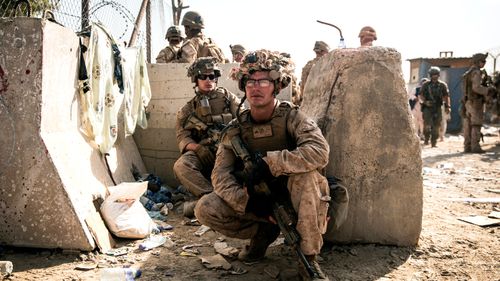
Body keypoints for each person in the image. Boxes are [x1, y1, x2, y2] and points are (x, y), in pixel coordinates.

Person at [194, 50, 331, 280]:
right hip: (261, 202)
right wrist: (248, 203)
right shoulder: (236, 129)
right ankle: (263, 233)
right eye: (250, 81)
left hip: (299, 199)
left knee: (307, 178)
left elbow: (319, 152)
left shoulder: (292, 118)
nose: (256, 87)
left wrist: (272, 164)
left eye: (264, 81)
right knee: (205, 207)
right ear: (244, 86)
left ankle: (309, 259)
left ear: (276, 86)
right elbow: (220, 176)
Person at [173, 57, 241, 217]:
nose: (208, 80)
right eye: (203, 77)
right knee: (181, 166)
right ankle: (211, 198)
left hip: (231, 149)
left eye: (212, 76)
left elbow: (243, 117)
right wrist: (198, 149)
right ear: (196, 80)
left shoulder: (228, 98)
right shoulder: (188, 109)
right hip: (207, 152)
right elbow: (182, 136)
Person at [461, 53, 497, 153]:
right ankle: (475, 147)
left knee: (468, 125)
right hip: (475, 102)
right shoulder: (476, 72)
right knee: (476, 124)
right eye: (483, 61)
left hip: (467, 102)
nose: (484, 63)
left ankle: (467, 147)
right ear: (477, 61)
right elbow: (476, 88)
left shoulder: (468, 73)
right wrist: (488, 90)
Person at [419, 66, 451, 147]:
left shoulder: (442, 85)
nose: (435, 76)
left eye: (436, 74)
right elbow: (421, 95)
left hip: (438, 106)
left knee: (437, 125)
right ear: (430, 75)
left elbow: (446, 96)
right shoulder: (425, 85)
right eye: (433, 74)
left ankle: (434, 142)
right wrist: (425, 102)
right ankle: (426, 139)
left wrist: (448, 106)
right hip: (427, 107)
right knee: (427, 125)